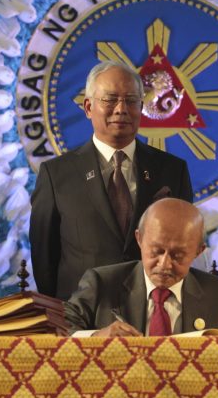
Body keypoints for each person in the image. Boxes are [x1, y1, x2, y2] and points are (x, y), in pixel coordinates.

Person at [30, 61, 193, 300]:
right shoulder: (56, 175)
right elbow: (44, 261)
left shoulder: (172, 170)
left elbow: (183, 246)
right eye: (110, 99)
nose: (121, 109)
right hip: (82, 318)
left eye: (130, 100)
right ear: (88, 107)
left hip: (154, 313)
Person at [65, 198, 218, 336]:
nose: (164, 264)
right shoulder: (102, 283)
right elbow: (59, 329)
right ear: (139, 239)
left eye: (178, 255)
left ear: (199, 252)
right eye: (156, 251)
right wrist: (96, 337)